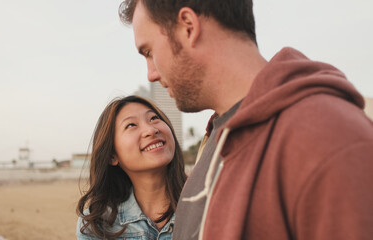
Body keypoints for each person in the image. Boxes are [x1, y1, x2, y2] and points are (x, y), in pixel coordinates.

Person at [118, 0, 373, 239]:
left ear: (188, 27)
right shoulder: (219, 138)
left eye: (149, 51)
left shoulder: (330, 138)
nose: (150, 74)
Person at [76, 95, 187, 239]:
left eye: (153, 118)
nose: (151, 130)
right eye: (131, 125)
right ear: (112, 156)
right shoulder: (96, 224)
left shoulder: (208, 202)